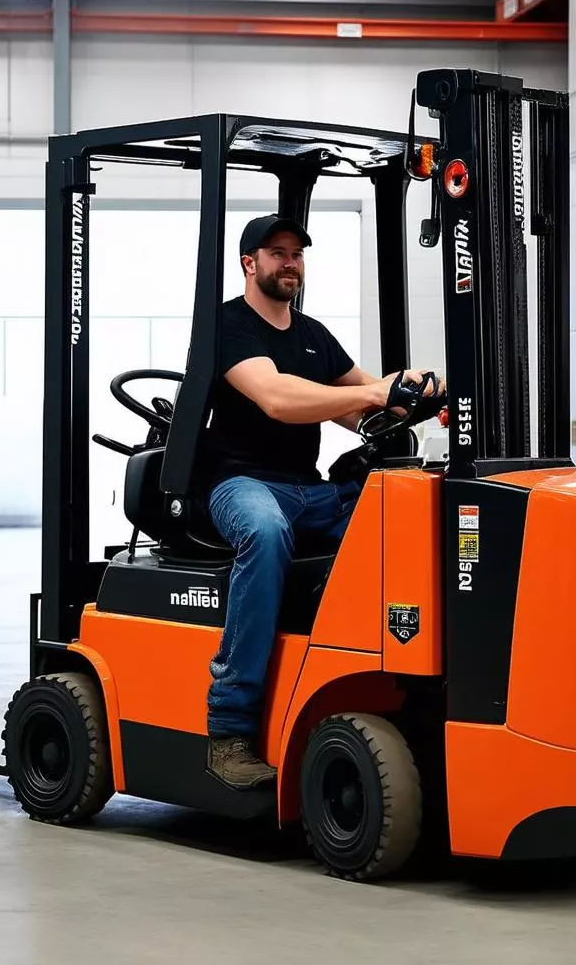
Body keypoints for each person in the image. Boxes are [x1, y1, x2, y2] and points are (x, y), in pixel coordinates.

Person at [203, 214, 440, 790]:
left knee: (404, 513)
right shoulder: (227, 327)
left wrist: (416, 398)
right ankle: (229, 727)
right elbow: (278, 398)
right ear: (249, 263)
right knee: (263, 533)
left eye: (296, 254)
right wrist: (372, 390)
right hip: (241, 485)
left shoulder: (312, 335)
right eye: (276, 252)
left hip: (309, 490)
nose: (289, 262)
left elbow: (360, 406)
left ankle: (397, 681)